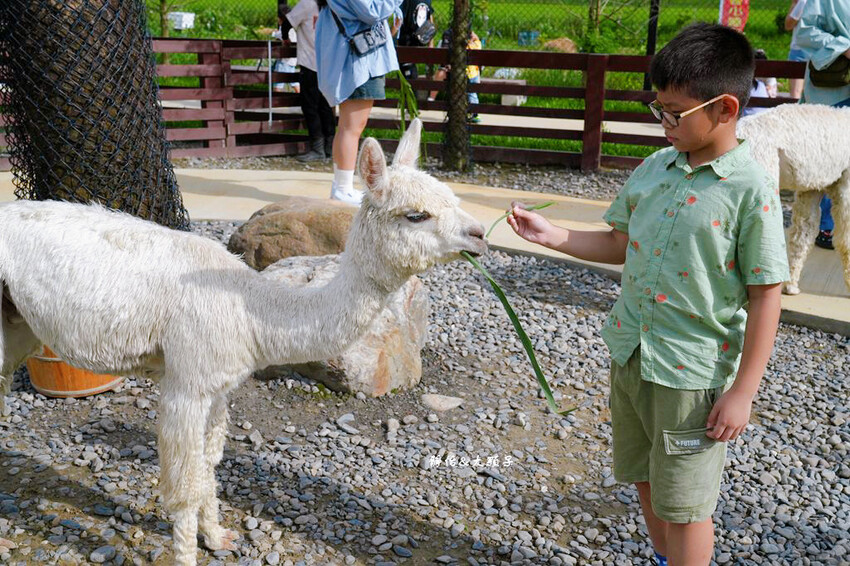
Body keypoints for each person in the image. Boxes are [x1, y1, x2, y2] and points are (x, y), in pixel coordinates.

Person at [507, 24, 788, 566]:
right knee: (645, 480)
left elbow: (766, 296)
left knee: (685, 506)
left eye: (674, 113)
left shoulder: (750, 190)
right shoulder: (655, 168)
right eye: (657, 108)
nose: (663, 123)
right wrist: (555, 236)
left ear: (725, 108)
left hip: (690, 375)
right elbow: (619, 241)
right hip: (632, 355)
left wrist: (743, 392)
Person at [315, 0, 402, 205]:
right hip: (358, 63)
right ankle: (343, 189)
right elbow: (370, 11)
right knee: (351, 127)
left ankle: (341, 185)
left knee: (348, 127)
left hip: (355, 58)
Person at [797, 0, 850, 250]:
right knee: (833, 161)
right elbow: (804, 32)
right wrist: (845, 46)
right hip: (835, 92)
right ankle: (828, 227)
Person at [279, 0, 336, 162]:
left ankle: (317, 149)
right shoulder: (333, 5)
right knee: (326, 107)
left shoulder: (307, 4)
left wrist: (285, 38)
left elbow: (287, 24)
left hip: (310, 64)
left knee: (310, 107)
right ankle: (330, 148)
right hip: (329, 65)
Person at [427, 29, 483, 123]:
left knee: (464, 94)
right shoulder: (477, 44)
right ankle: (473, 113)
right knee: (472, 94)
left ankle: (469, 113)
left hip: (467, 73)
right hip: (475, 73)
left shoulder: (463, 47)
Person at [393, 0, 434, 81]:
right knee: (409, 70)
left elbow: (399, 20)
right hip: (421, 39)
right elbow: (430, 20)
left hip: (406, 42)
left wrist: (389, 36)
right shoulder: (427, 1)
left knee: (407, 74)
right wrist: (431, 43)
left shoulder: (405, 1)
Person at [271, 3, 300, 94]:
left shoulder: (286, 29)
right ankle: (300, 98)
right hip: (291, 61)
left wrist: (272, 33)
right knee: (293, 81)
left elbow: (280, 35)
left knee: (278, 80)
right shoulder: (292, 29)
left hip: (285, 61)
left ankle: (277, 100)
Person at [786, 0, 810, 99]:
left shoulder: (803, 2)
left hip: (799, 50)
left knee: (796, 95)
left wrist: (794, 4)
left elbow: (788, 25)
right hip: (819, 51)